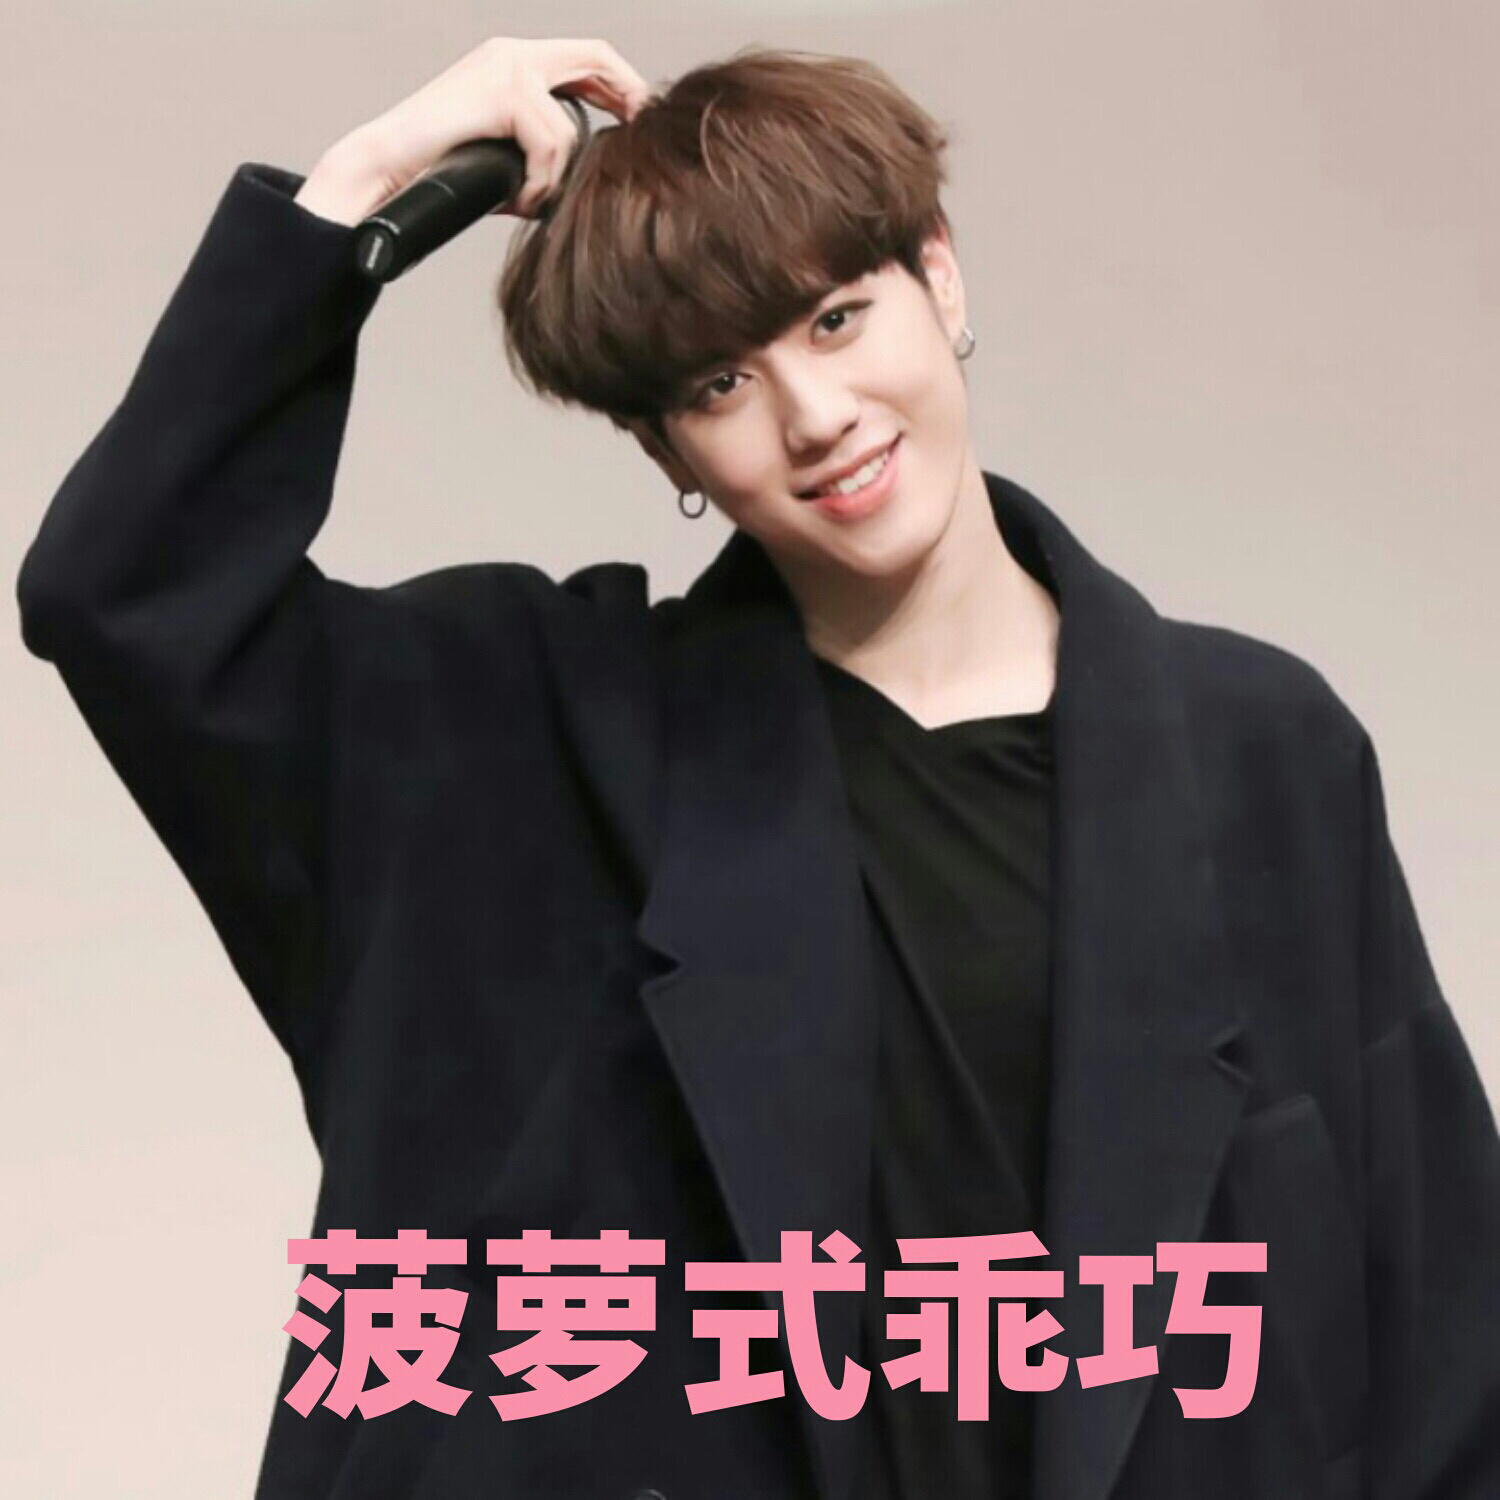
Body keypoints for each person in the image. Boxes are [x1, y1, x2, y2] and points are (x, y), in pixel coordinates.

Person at [15, 33, 1500, 1500]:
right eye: (722, 382)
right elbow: (127, 600)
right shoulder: (529, 747)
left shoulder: (1261, 754)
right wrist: (362, 184)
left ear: (941, 276)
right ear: (665, 451)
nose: (815, 417)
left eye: (839, 319)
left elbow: (1448, 1340)